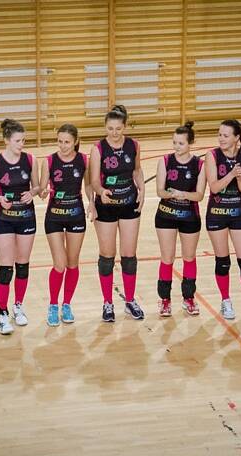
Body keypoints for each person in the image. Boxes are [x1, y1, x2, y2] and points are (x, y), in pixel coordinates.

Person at [0, 119, 41, 334]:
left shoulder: (31, 159)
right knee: (6, 268)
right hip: (4, 219)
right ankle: (2, 313)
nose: (21, 144)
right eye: (17, 141)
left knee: (22, 265)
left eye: (23, 140)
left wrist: (32, 193)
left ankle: (18, 306)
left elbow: (36, 186)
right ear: (6, 140)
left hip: (27, 217)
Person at [89, 105, 146, 322]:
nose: (114, 132)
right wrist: (101, 191)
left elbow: (137, 171)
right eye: (110, 128)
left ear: (124, 127)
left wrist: (142, 189)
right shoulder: (98, 149)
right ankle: (108, 302)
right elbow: (94, 180)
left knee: (129, 256)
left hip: (129, 204)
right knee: (107, 256)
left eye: (118, 128)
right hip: (106, 206)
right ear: (105, 127)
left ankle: (130, 300)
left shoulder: (134, 145)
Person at [205, 119, 241, 321]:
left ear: (237, 137)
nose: (221, 138)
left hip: (238, 212)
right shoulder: (212, 155)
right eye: (219, 134)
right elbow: (214, 187)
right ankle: (226, 301)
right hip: (217, 213)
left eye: (225, 135)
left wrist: (239, 177)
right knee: (223, 261)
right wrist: (231, 174)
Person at [38, 124, 94, 326]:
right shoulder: (49, 161)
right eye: (60, 141)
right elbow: (41, 189)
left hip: (76, 215)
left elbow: (88, 185)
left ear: (75, 141)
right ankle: (53, 305)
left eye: (67, 142)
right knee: (59, 264)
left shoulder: (84, 160)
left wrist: (92, 203)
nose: (63, 146)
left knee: (72, 263)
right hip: (54, 216)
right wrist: (43, 192)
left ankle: (67, 304)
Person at [154, 121, 206, 317]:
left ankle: (188, 298)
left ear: (190, 143)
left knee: (189, 257)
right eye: (174, 142)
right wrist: (171, 194)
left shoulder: (199, 165)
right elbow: (159, 191)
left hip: (189, 217)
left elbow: (199, 195)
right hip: (166, 215)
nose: (176, 146)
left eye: (181, 143)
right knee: (167, 258)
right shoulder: (165, 161)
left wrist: (183, 194)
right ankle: (165, 300)